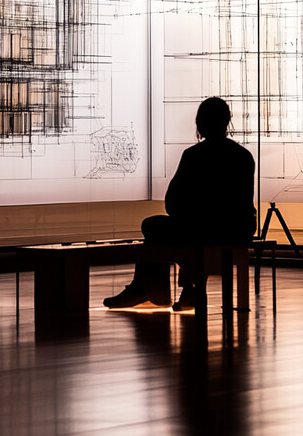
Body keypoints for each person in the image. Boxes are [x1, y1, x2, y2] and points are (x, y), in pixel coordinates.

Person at [104, 96, 256, 311]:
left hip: (208, 229)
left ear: (201, 122)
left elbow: (172, 202)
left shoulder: (194, 155)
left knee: (154, 226)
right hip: (239, 228)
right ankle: (188, 288)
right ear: (226, 121)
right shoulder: (243, 156)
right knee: (192, 229)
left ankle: (151, 287)